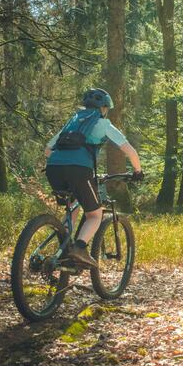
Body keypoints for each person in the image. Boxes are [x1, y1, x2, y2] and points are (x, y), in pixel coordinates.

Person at [45, 88, 142, 268]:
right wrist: (138, 171)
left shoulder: (73, 121)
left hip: (53, 169)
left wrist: (65, 163)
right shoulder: (103, 124)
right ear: (103, 108)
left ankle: (64, 251)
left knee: (71, 206)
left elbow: (47, 150)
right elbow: (129, 150)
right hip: (79, 170)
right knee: (94, 214)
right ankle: (80, 248)